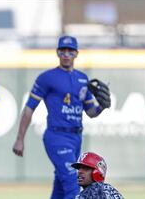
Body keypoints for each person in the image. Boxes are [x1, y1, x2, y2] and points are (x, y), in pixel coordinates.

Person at [12, 35, 110, 199]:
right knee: (72, 180)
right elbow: (29, 108)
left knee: (61, 184)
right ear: (57, 53)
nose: (66, 54)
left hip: (76, 136)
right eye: (62, 50)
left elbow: (91, 112)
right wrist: (20, 138)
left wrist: (102, 106)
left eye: (70, 51)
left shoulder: (82, 79)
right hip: (56, 136)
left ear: (76, 54)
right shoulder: (47, 78)